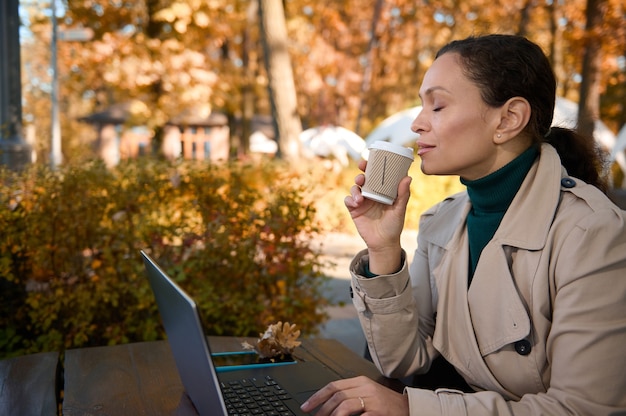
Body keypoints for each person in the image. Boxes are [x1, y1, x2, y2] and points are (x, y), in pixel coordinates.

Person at [300, 34, 626, 415]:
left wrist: (412, 410)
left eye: (437, 106)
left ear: (508, 119)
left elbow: (582, 408)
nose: (419, 124)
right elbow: (402, 361)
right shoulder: (441, 221)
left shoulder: (592, 232)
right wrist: (383, 249)